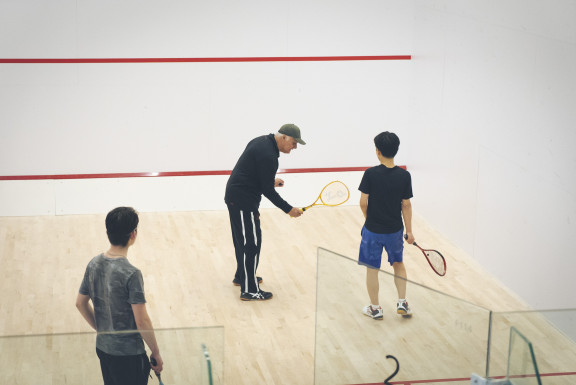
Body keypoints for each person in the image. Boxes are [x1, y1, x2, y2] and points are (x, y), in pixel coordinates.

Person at [76, 207, 163, 384]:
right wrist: (155, 352)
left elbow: (80, 303)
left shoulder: (93, 264)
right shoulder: (131, 274)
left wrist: (102, 329)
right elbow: (142, 321)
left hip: (103, 348)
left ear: (108, 232)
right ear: (133, 234)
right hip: (129, 356)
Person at [225, 124, 305, 301]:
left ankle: (241, 276)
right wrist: (289, 209)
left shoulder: (262, 141)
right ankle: (250, 290)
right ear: (283, 137)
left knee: (244, 240)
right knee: (251, 243)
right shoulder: (269, 155)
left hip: (237, 196)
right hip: (242, 200)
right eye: (293, 142)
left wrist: (270, 180)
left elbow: (253, 173)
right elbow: (268, 191)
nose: (295, 147)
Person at [358, 131, 415, 320]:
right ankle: (402, 303)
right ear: (396, 151)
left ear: (378, 152)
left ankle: (375, 308)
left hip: (373, 231)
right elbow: (406, 204)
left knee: (372, 268)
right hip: (395, 231)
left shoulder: (370, 174)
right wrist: (410, 231)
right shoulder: (404, 176)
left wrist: (368, 219)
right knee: (398, 264)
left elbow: (363, 202)